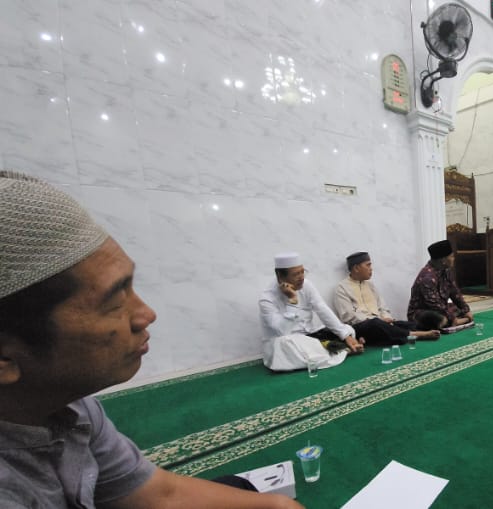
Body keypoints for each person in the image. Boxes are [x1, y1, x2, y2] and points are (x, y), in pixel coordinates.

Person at [0, 171, 303, 508]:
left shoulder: (70, 406)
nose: (146, 314)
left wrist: (280, 505)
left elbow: (159, 494)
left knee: (242, 490)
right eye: (114, 300)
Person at [260, 253, 362, 371]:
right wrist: (292, 301)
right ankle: (337, 349)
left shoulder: (306, 285)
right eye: (296, 274)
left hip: (310, 336)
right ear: (279, 276)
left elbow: (322, 309)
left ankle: (337, 348)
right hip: (289, 341)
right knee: (285, 344)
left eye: (302, 272)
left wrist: (345, 336)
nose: (301, 277)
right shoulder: (267, 299)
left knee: (347, 330)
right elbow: (282, 331)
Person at [332, 252, 440, 346]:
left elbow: (382, 307)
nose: (371, 268)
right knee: (375, 324)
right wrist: (379, 321)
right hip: (361, 327)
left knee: (407, 324)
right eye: (368, 265)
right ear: (356, 268)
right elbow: (348, 317)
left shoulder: (370, 285)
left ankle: (403, 334)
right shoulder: (342, 288)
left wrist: (387, 319)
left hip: (380, 325)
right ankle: (414, 335)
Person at [407, 240, 474, 331]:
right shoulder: (427, 277)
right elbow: (435, 305)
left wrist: (466, 310)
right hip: (423, 313)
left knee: (456, 309)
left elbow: (455, 292)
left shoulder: (446, 271)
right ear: (443, 260)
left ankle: (455, 321)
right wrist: (453, 318)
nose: (454, 259)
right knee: (440, 318)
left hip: (440, 308)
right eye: (451, 256)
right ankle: (454, 321)